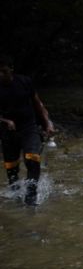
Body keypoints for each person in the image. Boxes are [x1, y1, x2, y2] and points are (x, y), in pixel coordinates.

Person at [0, 54, 54, 205]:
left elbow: (38, 104)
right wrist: (5, 121)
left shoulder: (24, 81)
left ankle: (31, 197)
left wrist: (47, 123)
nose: (1, 75)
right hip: (7, 131)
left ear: (11, 69)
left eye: (3, 71)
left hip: (28, 127)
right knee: (12, 169)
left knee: (32, 158)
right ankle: (15, 199)